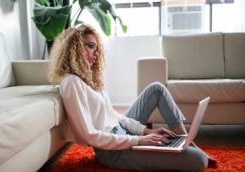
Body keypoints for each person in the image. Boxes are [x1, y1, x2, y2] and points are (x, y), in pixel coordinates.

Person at [48, 24, 215, 172]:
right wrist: (139, 140)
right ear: (75, 47)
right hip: (113, 152)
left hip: (123, 134)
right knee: (198, 160)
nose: (96, 54)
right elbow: (90, 135)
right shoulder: (71, 83)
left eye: (97, 48)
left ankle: (185, 142)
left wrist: (146, 131)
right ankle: (184, 148)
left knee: (156, 89)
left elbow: (116, 117)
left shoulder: (89, 80)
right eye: (91, 46)